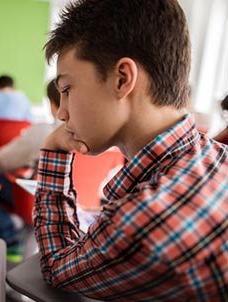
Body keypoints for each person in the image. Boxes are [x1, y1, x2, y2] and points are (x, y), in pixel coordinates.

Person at [34, 0, 228, 301]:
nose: (62, 113)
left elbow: (57, 267)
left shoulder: (147, 217)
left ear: (122, 79)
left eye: (68, 89)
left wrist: (53, 150)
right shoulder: (217, 157)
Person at [0, 80, 60, 262]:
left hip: (39, 205)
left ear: (52, 103)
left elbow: (4, 161)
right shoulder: (106, 140)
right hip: (83, 208)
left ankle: (8, 235)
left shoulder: (45, 133)